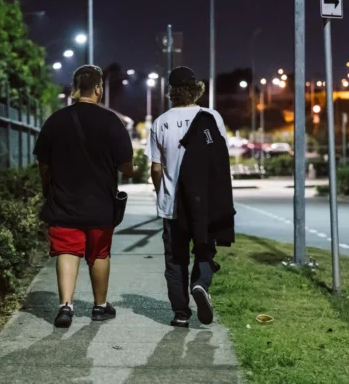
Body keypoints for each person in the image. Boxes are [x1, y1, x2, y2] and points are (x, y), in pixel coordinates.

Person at [34, 65, 137, 328]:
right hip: (100, 202)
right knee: (99, 252)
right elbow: (126, 165)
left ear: (74, 88)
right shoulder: (111, 121)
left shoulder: (55, 121)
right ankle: (100, 307)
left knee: (67, 250)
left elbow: (43, 164)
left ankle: (65, 307)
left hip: (64, 199)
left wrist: (48, 188)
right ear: (99, 88)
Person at [147, 66, 235, 328]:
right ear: (195, 89)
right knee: (204, 249)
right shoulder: (211, 117)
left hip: (172, 206)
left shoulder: (160, 122)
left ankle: (180, 314)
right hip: (203, 205)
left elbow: (155, 168)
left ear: (171, 92)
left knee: (175, 259)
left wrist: (161, 190)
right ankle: (200, 284)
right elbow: (220, 160)